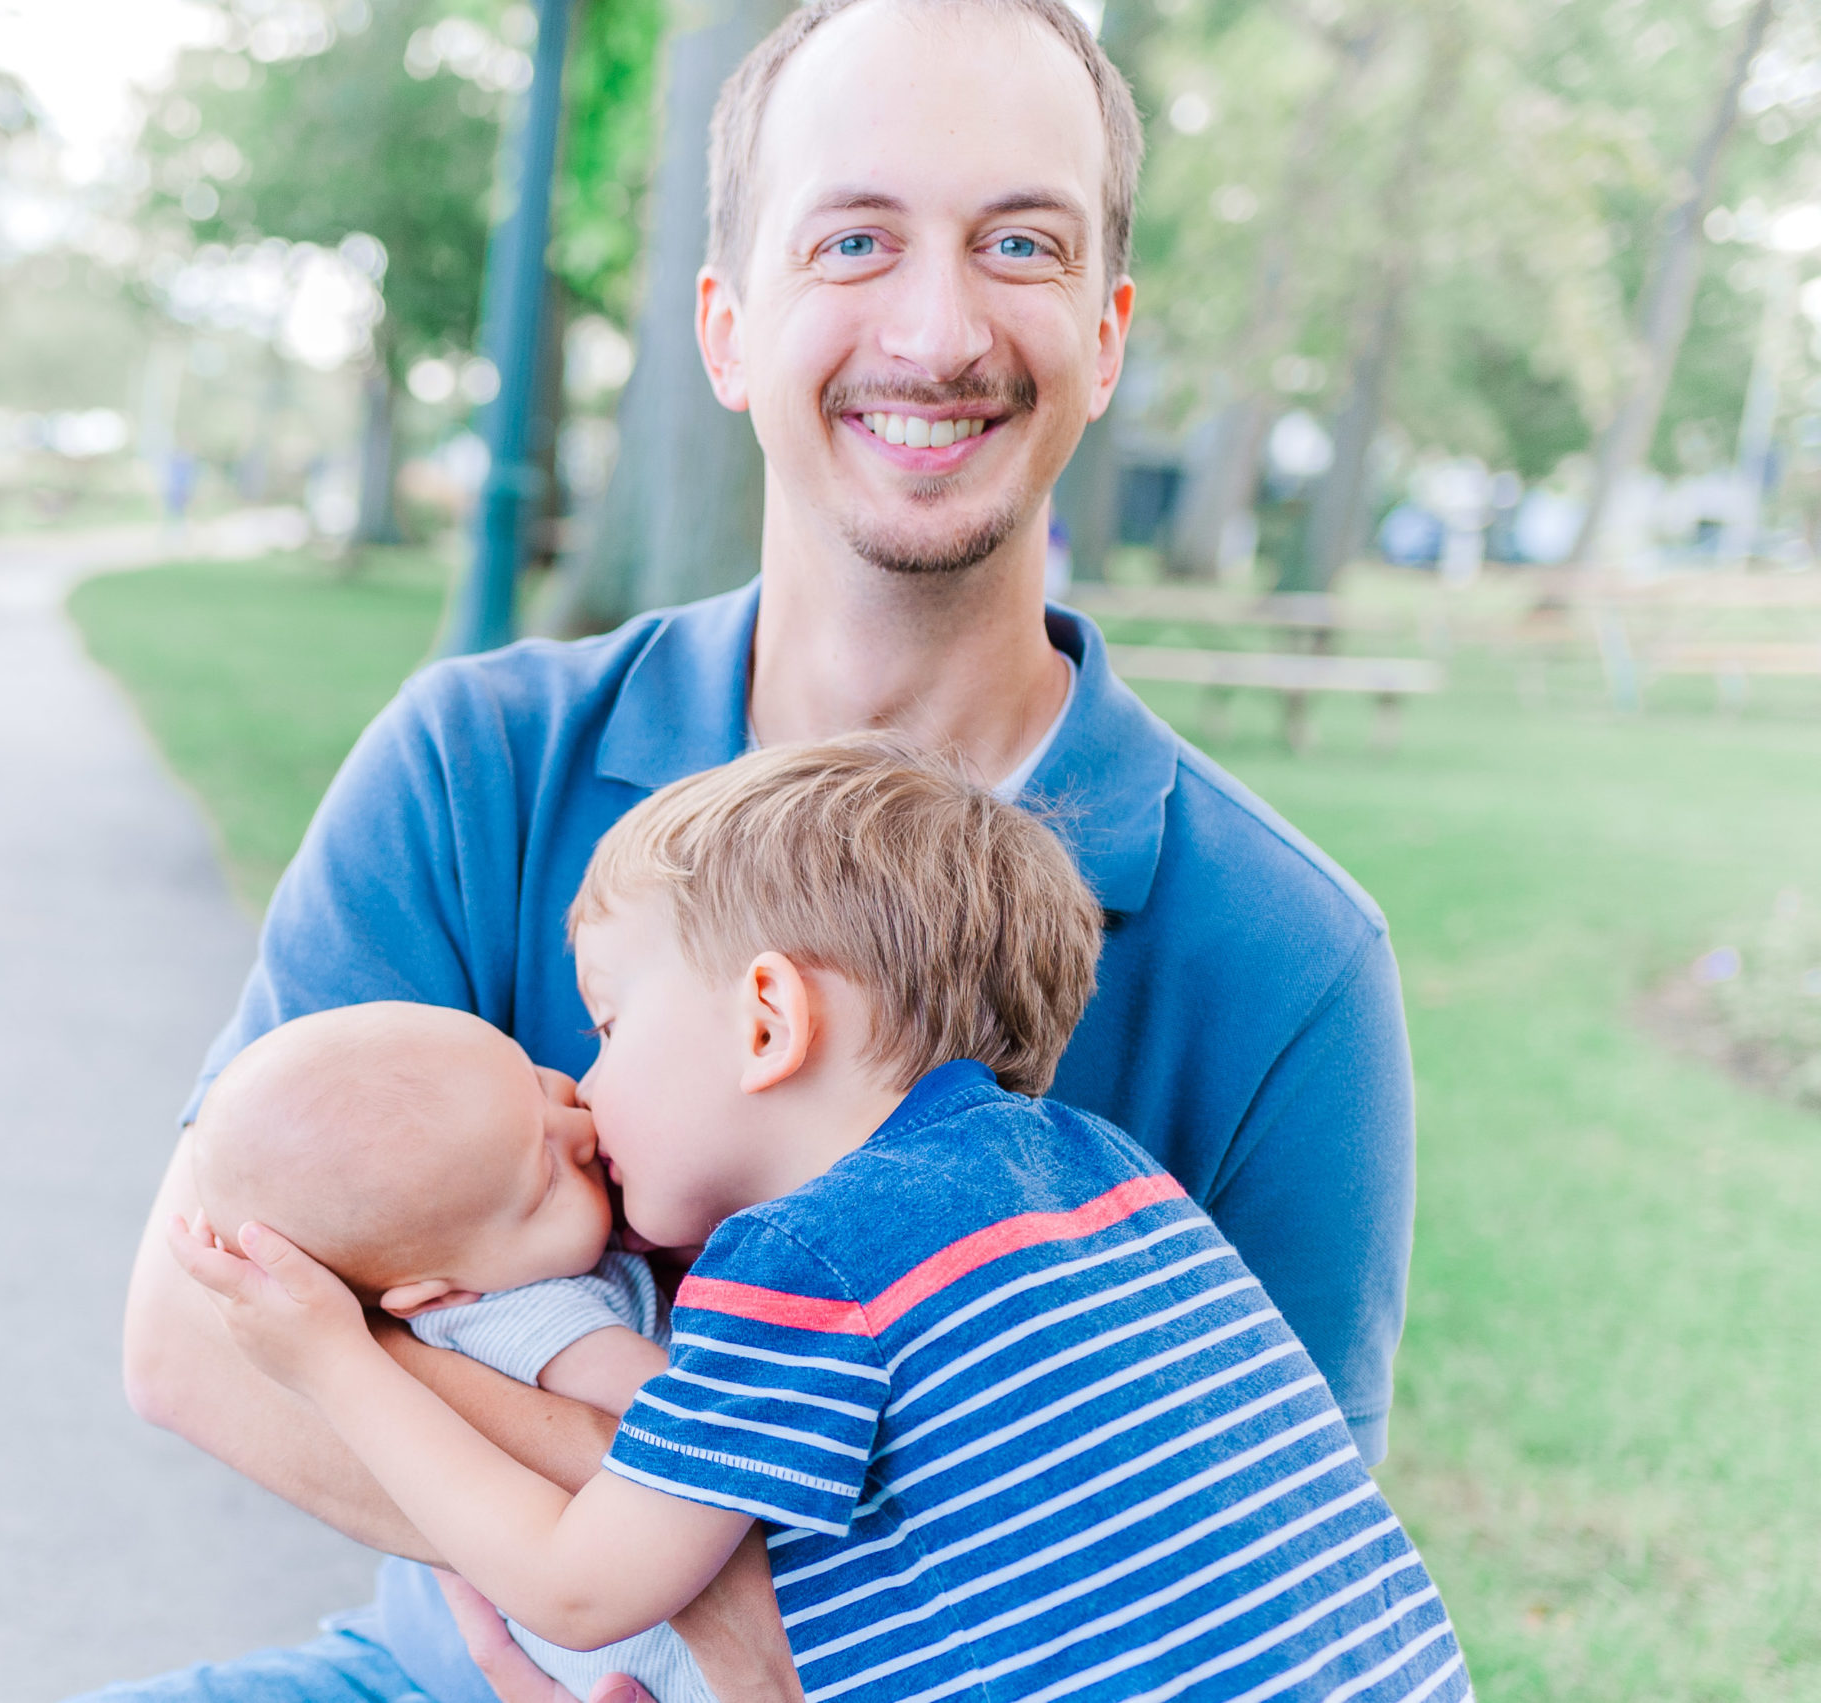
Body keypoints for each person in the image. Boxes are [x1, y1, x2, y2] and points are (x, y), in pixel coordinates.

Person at [113, 0, 1416, 1699]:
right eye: (854, 238)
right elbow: (195, 1329)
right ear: (728, 329)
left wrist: (732, 1659)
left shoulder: (1288, 961)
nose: (939, 328)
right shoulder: (480, 762)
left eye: (1019, 241)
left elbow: (1262, 1570)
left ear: (1105, 332)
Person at [172, 740, 1464, 1703]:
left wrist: (337, 1359)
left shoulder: (800, 1264)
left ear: (769, 1021)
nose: (585, 1079)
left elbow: (581, 1580)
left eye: (611, 1022)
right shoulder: (1103, 1172)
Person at [191, 1000, 717, 1703]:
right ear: (431, 1294)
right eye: (549, 1180)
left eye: (534, 1079)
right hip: (673, 1662)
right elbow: (684, 1408)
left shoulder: (504, 1265)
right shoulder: (520, 1314)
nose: (582, 1128)